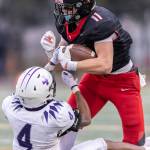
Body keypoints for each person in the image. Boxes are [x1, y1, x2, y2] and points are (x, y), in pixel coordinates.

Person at [40, 0, 147, 147]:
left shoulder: (101, 22)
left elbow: (105, 65)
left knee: (135, 143)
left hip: (123, 81)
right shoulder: (67, 21)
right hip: (94, 78)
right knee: (67, 119)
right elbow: (61, 59)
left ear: (82, 6)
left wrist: (70, 64)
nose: (63, 11)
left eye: (67, 7)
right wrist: (50, 52)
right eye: (60, 7)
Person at [2, 66, 149, 150]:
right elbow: (85, 119)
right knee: (102, 144)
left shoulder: (9, 105)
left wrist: (51, 62)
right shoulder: (57, 114)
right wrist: (75, 88)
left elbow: (31, 88)